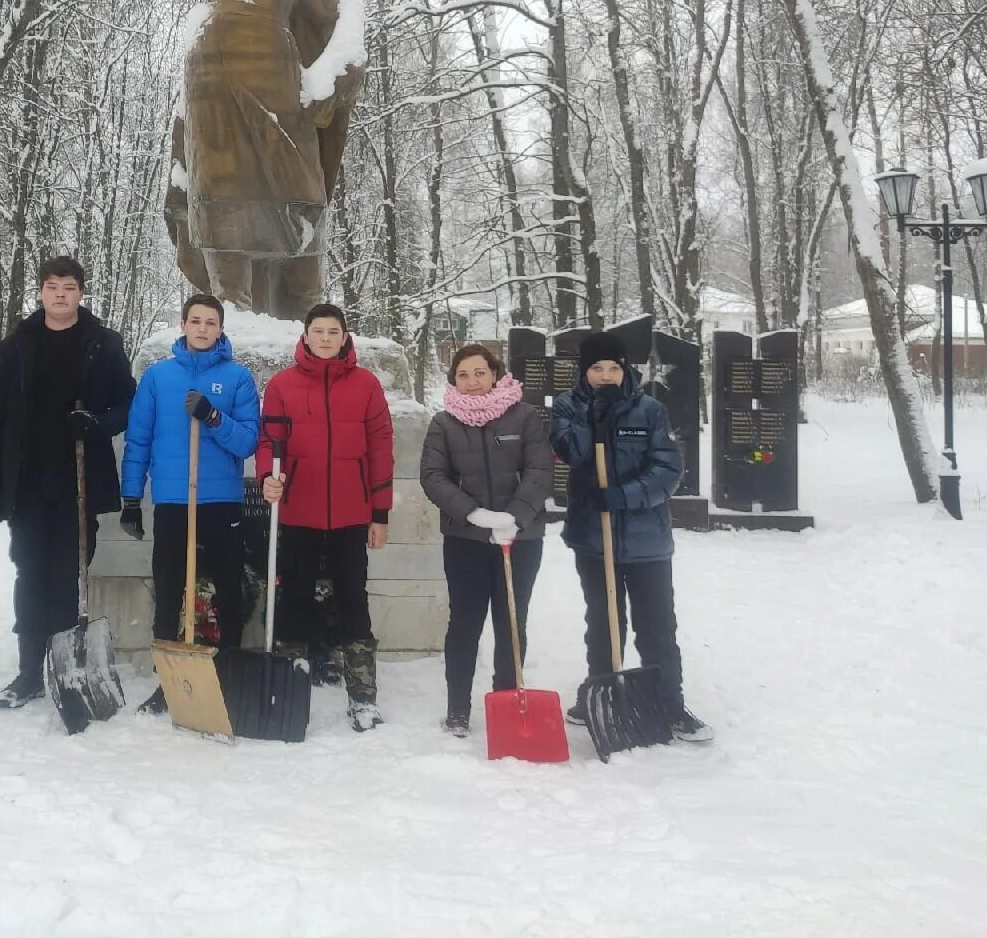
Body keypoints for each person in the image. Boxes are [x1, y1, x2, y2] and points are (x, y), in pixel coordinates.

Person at [67, 0, 364, 319]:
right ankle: (234, 317)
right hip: (210, 86)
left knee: (302, 197)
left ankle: (308, 325)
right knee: (222, 201)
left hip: (278, 79)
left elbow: (347, 12)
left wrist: (332, 74)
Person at [0, 257, 136, 708]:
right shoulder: (17, 346)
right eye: (52, 287)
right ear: (41, 293)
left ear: (81, 293)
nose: (60, 295)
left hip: (78, 480)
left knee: (69, 574)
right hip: (27, 482)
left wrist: (97, 424)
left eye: (69, 287)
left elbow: (129, 401)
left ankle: (64, 666)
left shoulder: (102, 344)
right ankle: (29, 670)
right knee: (29, 572)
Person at [550, 330, 712, 742]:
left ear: (626, 369)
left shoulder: (650, 410)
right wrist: (596, 417)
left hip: (647, 542)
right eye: (597, 369)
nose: (606, 376)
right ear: (584, 372)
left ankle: (670, 705)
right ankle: (602, 695)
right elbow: (571, 452)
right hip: (592, 537)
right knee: (603, 621)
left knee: (657, 625)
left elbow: (668, 470)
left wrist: (622, 496)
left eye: (613, 368)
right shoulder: (569, 407)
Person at [119, 294, 260, 714]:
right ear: (182, 325)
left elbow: (248, 440)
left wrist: (215, 419)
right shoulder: (158, 378)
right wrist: (131, 497)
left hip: (221, 499)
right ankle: (168, 677)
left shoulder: (237, 378)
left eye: (210, 322)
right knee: (168, 586)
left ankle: (228, 669)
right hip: (174, 500)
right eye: (195, 320)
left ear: (220, 329)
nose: (202, 328)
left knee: (228, 588)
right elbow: (139, 439)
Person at [256, 303, 393, 731]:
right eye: (319, 331)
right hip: (299, 509)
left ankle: (363, 691)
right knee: (294, 594)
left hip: (352, 512)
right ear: (307, 335)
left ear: (345, 336)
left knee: (353, 595)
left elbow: (381, 449)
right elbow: (268, 441)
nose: (326, 338)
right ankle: (288, 683)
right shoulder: (282, 385)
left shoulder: (367, 385)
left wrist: (380, 512)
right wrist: (267, 477)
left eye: (334, 331)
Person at [419, 344, 554, 737]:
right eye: (463, 375)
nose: (473, 382)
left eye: (480, 373)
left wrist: (515, 517)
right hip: (466, 539)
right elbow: (433, 476)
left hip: (520, 537)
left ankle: (508, 700)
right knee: (464, 623)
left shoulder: (526, 416)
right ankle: (458, 706)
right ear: (453, 381)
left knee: (511, 621)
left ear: (495, 374)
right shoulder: (443, 423)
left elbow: (540, 469)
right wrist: (475, 515)